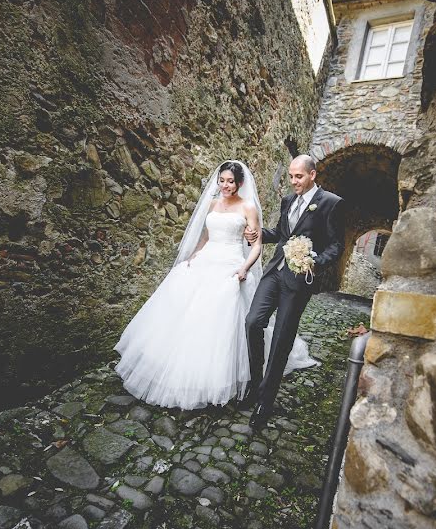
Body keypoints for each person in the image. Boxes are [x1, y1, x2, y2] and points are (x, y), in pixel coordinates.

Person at [114, 160, 317, 410]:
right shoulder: (212, 204)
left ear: (239, 183)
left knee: (222, 320)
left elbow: (255, 245)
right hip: (206, 261)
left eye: (230, 181)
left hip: (231, 264)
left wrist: (244, 268)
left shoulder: (248, 207)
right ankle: (180, 370)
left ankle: (225, 377)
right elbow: (205, 237)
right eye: (222, 180)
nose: (225, 185)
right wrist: (192, 256)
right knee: (185, 316)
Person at [244, 155, 345, 429]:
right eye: (290, 176)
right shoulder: (288, 201)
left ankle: (265, 401)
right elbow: (281, 232)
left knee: (281, 340)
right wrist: (258, 234)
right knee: (253, 322)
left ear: (312, 175)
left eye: (298, 176)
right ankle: (255, 383)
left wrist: (315, 261)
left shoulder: (331, 203)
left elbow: (336, 246)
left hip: (299, 280)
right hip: (274, 272)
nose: (293, 181)